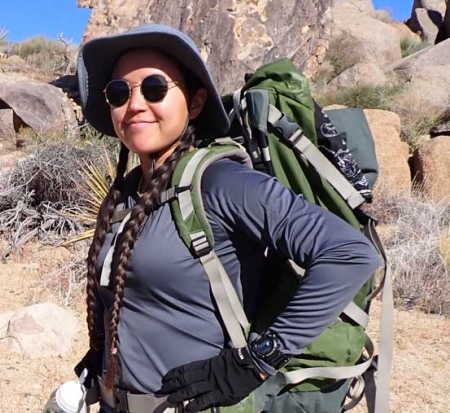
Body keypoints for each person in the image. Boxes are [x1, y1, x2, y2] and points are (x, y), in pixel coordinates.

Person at [72, 23, 381, 413]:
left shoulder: (221, 182)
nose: (134, 105)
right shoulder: (126, 194)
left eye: (154, 89)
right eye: (119, 92)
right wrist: (98, 362)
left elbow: (350, 255)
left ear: (196, 102)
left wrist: (255, 363)